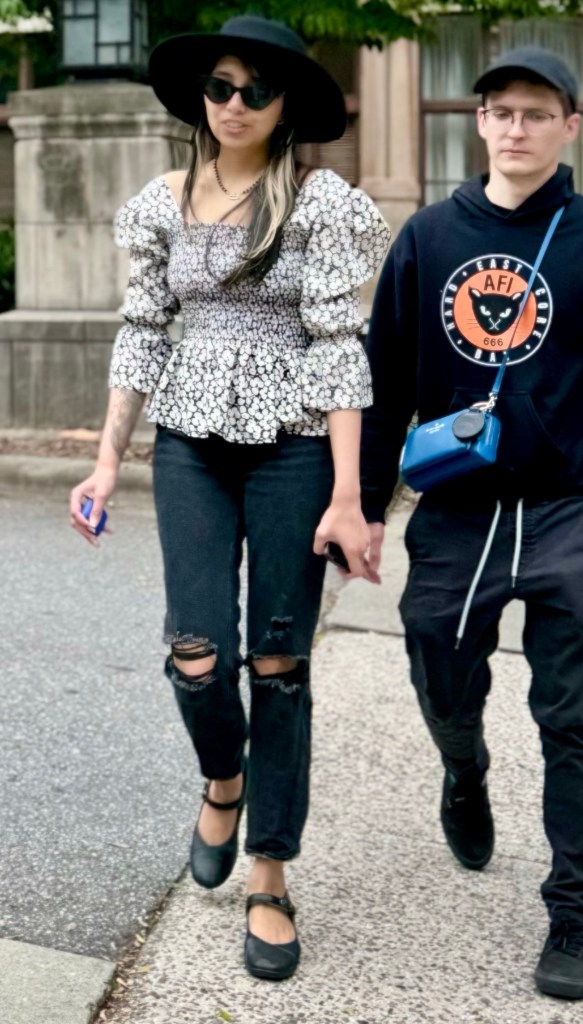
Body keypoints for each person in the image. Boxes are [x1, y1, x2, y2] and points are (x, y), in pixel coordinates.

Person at [361, 47, 583, 1000]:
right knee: (439, 670)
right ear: (479, 123)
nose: (516, 128)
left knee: (570, 719)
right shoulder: (427, 238)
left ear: (567, 128)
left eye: (536, 113)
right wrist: (366, 506)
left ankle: (573, 915)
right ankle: (463, 768)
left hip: (570, 509)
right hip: (457, 510)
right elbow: (384, 385)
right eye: (501, 111)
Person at [69, 14, 389, 981]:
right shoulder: (161, 203)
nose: (235, 104)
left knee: (278, 662)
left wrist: (349, 497)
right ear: (199, 99)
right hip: (191, 448)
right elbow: (142, 332)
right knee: (196, 653)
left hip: (295, 448)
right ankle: (223, 777)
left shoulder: (321, 203)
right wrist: (105, 462)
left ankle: (270, 874)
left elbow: (339, 349)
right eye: (220, 87)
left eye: (256, 89)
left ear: (285, 104)